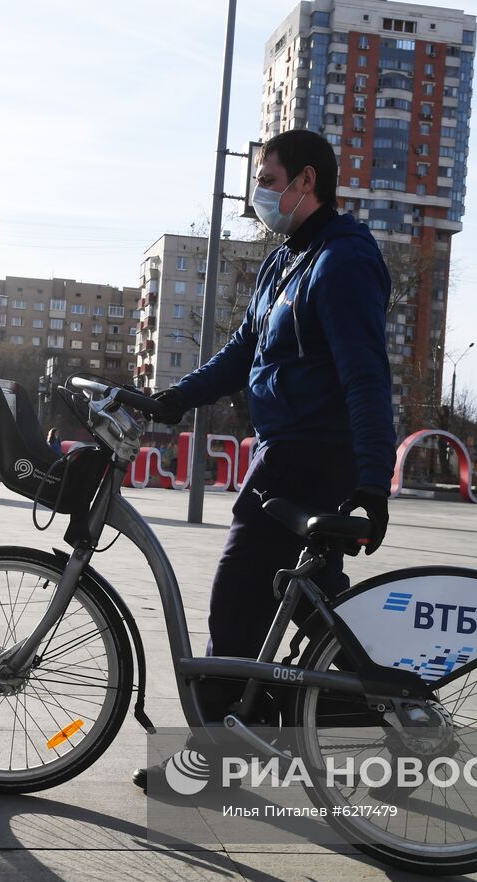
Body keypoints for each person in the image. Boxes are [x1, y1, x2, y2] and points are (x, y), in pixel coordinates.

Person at [135, 128, 396, 791]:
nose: (260, 194)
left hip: (314, 458)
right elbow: (242, 355)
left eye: (269, 180)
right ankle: (393, 721)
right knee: (311, 606)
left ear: (308, 182)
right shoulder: (285, 263)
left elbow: (367, 376)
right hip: (282, 452)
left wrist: (373, 478)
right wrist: (173, 399)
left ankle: (217, 760)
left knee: (236, 600)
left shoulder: (342, 262)